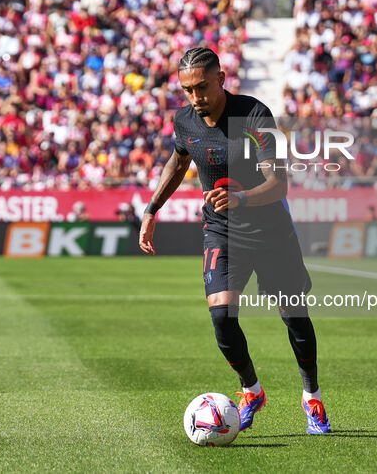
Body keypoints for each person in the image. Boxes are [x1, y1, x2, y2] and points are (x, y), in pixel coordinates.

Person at [139, 47, 330, 434]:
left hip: (271, 231)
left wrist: (241, 198)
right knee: (221, 318)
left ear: (221, 79)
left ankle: (311, 397)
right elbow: (179, 161)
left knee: (294, 317)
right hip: (222, 230)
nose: (196, 97)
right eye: (188, 90)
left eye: (203, 87)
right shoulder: (185, 121)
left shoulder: (256, 115)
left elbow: (279, 184)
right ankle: (251, 391)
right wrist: (151, 208)